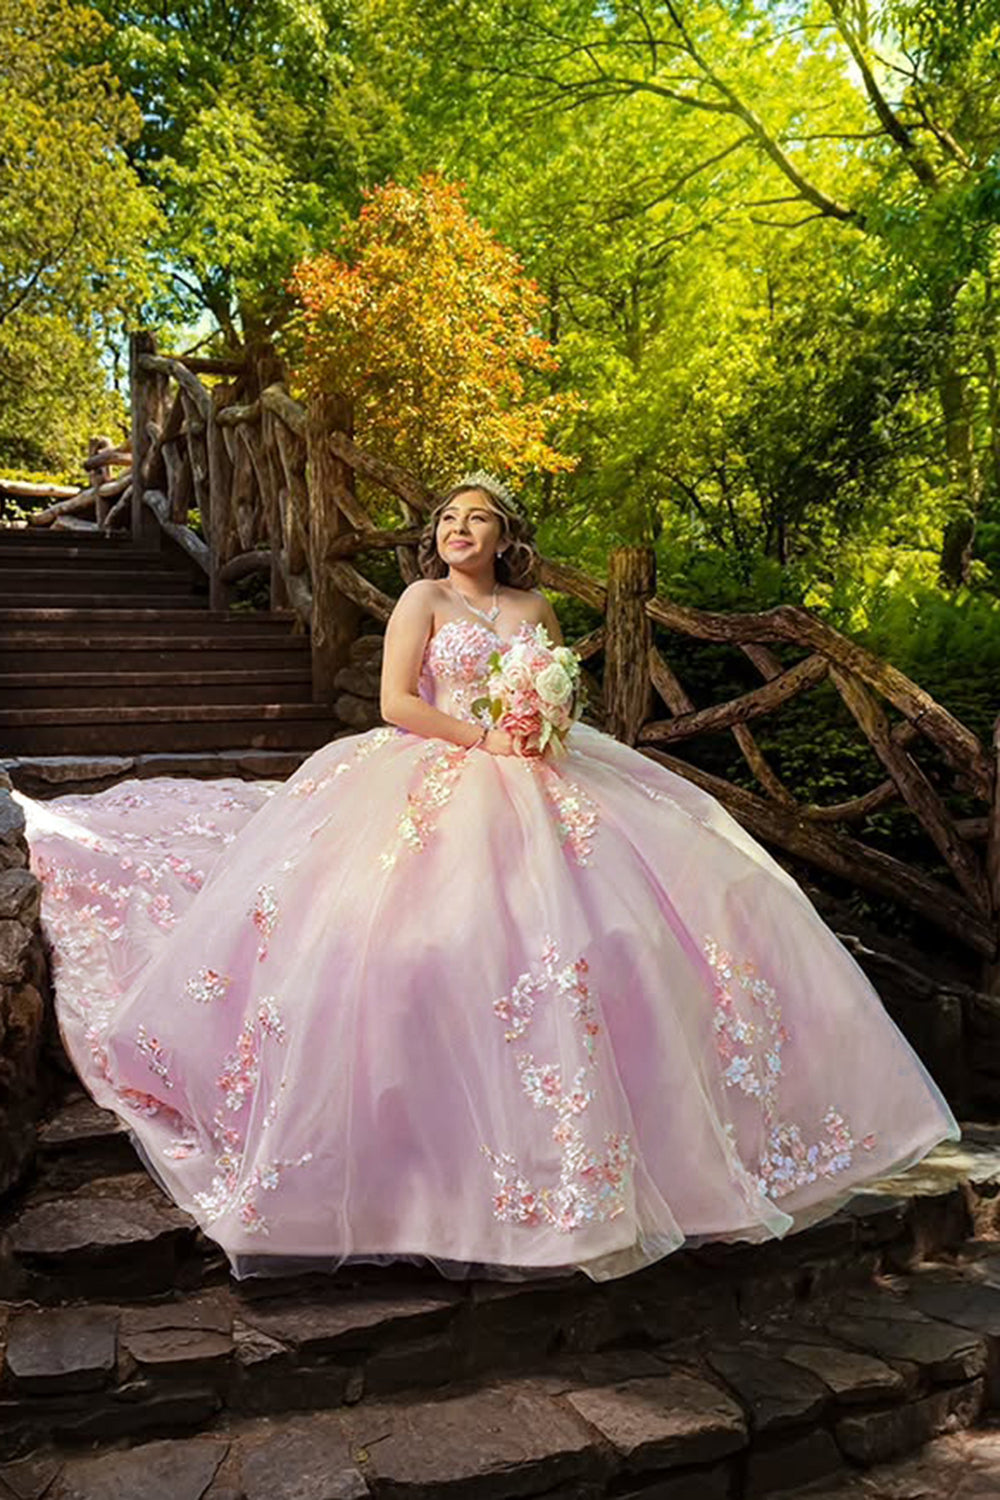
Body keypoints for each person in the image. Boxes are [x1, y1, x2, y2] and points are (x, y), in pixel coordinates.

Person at [16, 471, 958, 1282]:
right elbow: (394, 703)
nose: (457, 531)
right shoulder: (421, 601)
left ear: (507, 538)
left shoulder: (536, 613)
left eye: (477, 519)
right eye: (447, 520)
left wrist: (538, 731)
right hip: (435, 765)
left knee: (637, 923)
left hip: (547, 774)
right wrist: (486, 740)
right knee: (406, 934)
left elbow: (556, 695)